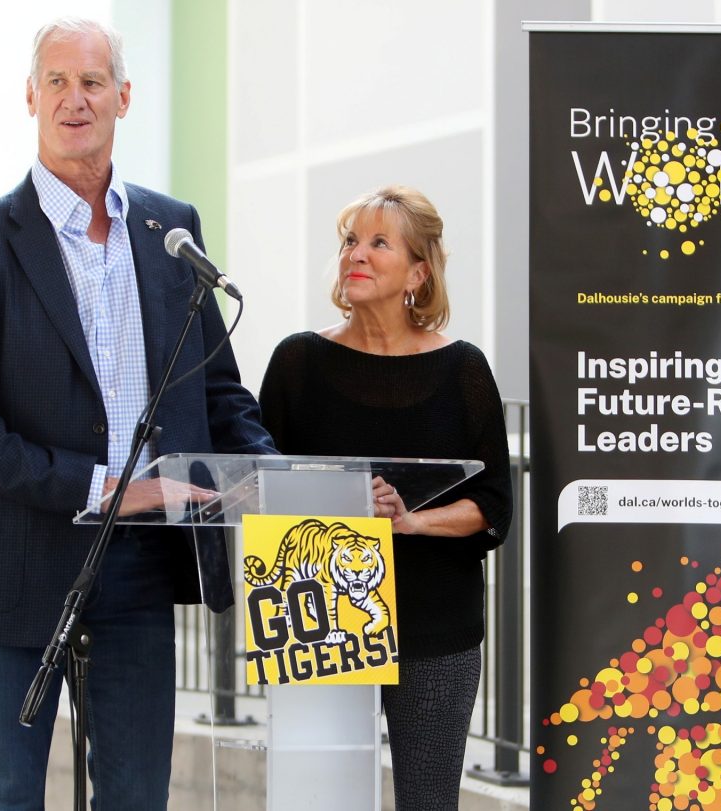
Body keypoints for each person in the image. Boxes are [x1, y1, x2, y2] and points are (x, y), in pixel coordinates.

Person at [0, 16, 274, 810]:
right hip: (13, 562)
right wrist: (112, 486)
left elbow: (219, 391)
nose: (74, 99)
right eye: (57, 81)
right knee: (11, 792)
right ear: (29, 96)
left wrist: (268, 476)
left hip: (139, 568)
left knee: (136, 793)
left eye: (90, 82)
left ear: (123, 95)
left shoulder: (170, 229)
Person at [257, 185, 513, 810]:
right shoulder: (298, 363)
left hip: (434, 622)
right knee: (316, 803)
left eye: (378, 242)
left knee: (428, 802)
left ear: (419, 273)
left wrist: (408, 522)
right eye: (350, 241)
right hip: (319, 615)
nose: (356, 255)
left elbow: (493, 506)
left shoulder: (464, 370)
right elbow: (256, 487)